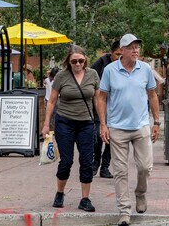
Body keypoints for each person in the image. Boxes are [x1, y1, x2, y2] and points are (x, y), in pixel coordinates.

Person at [98, 34, 160, 226]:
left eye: (137, 47)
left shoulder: (146, 69)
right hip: (117, 128)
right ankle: (124, 211)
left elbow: (152, 95)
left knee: (144, 167)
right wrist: (103, 124)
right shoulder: (109, 70)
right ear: (121, 51)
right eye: (131, 47)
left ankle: (140, 193)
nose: (135, 50)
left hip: (141, 126)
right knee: (120, 171)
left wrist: (156, 122)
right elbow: (101, 98)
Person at [42, 45, 99, 212]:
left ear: (85, 60)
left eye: (81, 60)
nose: (78, 64)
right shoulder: (61, 76)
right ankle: (60, 192)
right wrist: (46, 124)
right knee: (66, 160)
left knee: (87, 161)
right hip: (65, 122)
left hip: (86, 123)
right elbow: (51, 101)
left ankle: (85, 198)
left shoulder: (93, 75)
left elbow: (98, 101)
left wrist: (103, 122)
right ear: (68, 61)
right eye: (74, 61)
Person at [90, 40, 122, 179]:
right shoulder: (101, 63)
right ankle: (95, 162)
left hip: (116, 107)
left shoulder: (124, 65)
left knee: (112, 137)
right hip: (101, 105)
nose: (119, 58)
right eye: (117, 54)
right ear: (111, 52)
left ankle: (105, 167)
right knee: (98, 136)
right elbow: (91, 78)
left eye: (122, 55)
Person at [44, 67, 59, 131]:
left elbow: (44, 84)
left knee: (49, 115)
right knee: (55, 115)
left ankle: (50, 130)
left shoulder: (47, 80)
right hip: (55, 99)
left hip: (47, 99)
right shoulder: (56, 80)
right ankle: (55, 130)